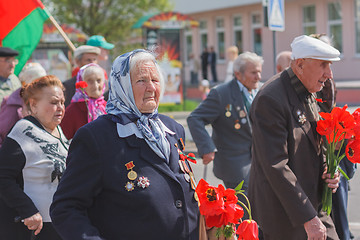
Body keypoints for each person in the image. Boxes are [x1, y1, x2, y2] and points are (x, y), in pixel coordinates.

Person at [50, 49, 199, 240]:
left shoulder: (172, 129)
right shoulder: (96, 137)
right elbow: (66, 208)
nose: (151, 88)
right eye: (141, 81)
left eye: (155, 80)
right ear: (122, 85)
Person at [248, 35, 341, 239]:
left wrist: (329, 171)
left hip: (311, 206)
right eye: (323, 65)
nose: (330, 74)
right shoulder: (270, 99)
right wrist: (308, 218)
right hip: (286, 215)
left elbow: (315, 143)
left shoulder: (306, 89)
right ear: (299, 65)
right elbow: (276, 166)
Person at [0, 75, 68, 240]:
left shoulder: (57, 130)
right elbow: (3, 176)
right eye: (53, 102)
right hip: (29, 228)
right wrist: (28, 210)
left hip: (56, 223)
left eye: (62, 102)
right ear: (34, 105)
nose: (60, 107)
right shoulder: (23, 130)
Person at [187, 51, 263, 192]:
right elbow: (195, 118)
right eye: (253, 72)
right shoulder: (221, 94)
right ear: (238, 74)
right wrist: (207, 148)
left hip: (259, 162)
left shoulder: (261, 90)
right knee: (243, 207)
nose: (258, 77)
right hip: (235, 164)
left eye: (259, 72)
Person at [0, 62, 47, 147]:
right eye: (38, 83)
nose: (43, 87)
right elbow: (2, 133)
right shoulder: (12, 104)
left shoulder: (46, 102)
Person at [60, 63, 107, 140]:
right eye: (90, 81)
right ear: (81, 82)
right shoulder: (73, 110)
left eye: (99, 80)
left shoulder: (107, 107)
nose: (95, 86)